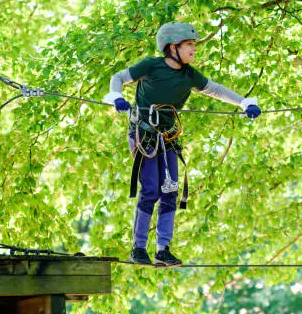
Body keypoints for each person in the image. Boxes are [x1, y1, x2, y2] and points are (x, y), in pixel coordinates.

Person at [103, 21, 261, 266]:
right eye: (189, 45)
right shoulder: (151, 65)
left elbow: (215, 90)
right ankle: (138, 248)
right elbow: (119, 77)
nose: (194, 49)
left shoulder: (190, 75)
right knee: (151, 190)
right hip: (144, 134)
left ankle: (163, 249)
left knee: (169, 191)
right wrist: (117, 97)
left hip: (169, 138)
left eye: (194, 45)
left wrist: (244, 103)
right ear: (171, 47)